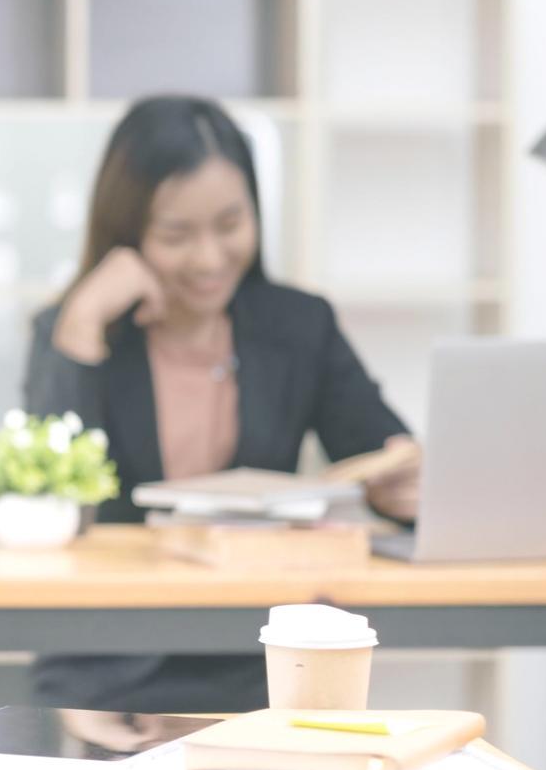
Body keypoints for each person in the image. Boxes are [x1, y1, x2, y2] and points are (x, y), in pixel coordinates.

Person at [22, 95, 419, 713]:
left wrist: (402, 488)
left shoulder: (298, 325)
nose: (209, 258)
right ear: (128, 232)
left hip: (260, 666)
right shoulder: (78, 332)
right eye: (177, 234)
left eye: (230, 225)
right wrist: (81, 325)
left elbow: (382, 454)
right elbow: (50, 506)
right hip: (102, 672)